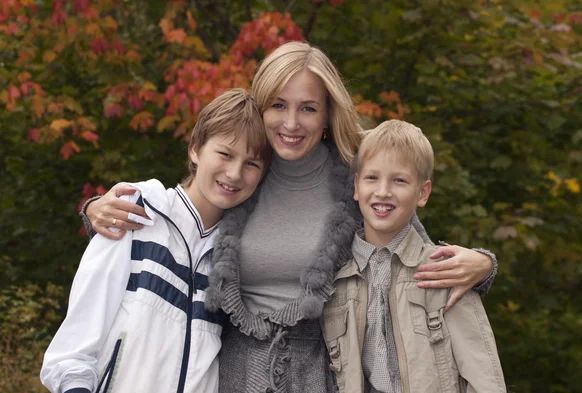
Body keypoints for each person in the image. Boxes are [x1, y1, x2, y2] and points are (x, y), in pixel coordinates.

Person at [81, 42, 498, 393]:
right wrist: (96, 209)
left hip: (322, 372)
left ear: (327, 114)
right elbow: (183, 224)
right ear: (261, 106)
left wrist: (483, 265)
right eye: (279, 105)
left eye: (308, 108)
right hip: (230, 372)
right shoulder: (243, 173)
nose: (292, 123)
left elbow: (408, 248)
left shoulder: (355, 177)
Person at [40, 89, 272, 393]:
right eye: (225, 154)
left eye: (252, 164)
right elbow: (71, 353)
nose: (234, 173)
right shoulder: (136, 214)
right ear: (195, 150)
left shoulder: (236, 257)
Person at [322, 120, 506, 393]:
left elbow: (483, 375)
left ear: (423, 193)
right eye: (372, 178)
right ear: (357, 186)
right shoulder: (337, 283)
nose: (383, 191)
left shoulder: (446, 272)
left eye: (399, 180)